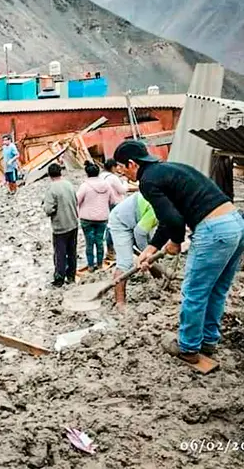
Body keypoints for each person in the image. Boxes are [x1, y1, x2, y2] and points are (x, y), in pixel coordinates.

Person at [114, 140, 244, 363]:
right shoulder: (168, 170)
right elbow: (169, 217)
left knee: (194, 291)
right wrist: (151, 248)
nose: (121, 173)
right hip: (235, 223)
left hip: (213, 229)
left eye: (121, 168)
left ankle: (188, 347)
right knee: (216, 289)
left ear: (132, 164)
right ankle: (208, 342)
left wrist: (175, 241)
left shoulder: (147, 181)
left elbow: (173, 220)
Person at [107, 192, 158, 310]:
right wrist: (146, 253)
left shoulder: (167, 205)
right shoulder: (158, 209)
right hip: (121, 222)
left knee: (152, 252)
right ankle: (120, 302)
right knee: (125, 262)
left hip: (138, 218)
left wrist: (149, 252)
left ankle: (159, 280)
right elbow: (139, 233)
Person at [76, 161, 119, 272]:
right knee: (100, 241)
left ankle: (90, 266)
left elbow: (76, 200)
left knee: (89, 243)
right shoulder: (106, 185)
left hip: (87, 218)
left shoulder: (84, 186)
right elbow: (113, 200)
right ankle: (100, 265)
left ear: (87, 173)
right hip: (102, 218)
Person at [42, 163, 79, 286]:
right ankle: (71, 276)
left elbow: (48, 210)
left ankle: (59, 278)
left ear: (49, 175)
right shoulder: (69, 184)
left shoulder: (51, 189)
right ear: (60, 172)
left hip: (60, 227)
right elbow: (76, 200)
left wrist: (44, 206)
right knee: (72, 251)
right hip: (73, 222)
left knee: (60, 253)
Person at [102, 158, 128, 259]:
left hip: (105, 203)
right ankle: (112, 249)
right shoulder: (113, 178)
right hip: (116, 204)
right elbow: (122, 190)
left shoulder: (101, 176)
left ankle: (110, 250)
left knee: (109, 225)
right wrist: (125, 183)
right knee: (115, 226)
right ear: (113, 167)